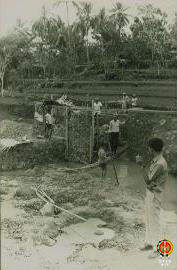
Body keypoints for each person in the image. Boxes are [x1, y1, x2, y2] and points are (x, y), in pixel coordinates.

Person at [136, 138, 168, 259]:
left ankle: (159, 249)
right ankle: (149, 243)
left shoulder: (160, 163)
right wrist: (143, 165)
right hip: (150, 193)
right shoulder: (156, 160)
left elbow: (148, 179)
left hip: (155, 195)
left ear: (152, 149)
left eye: (149, 147)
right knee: (149, 219)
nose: (148, 149)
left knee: (155, 221)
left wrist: (140, 165)